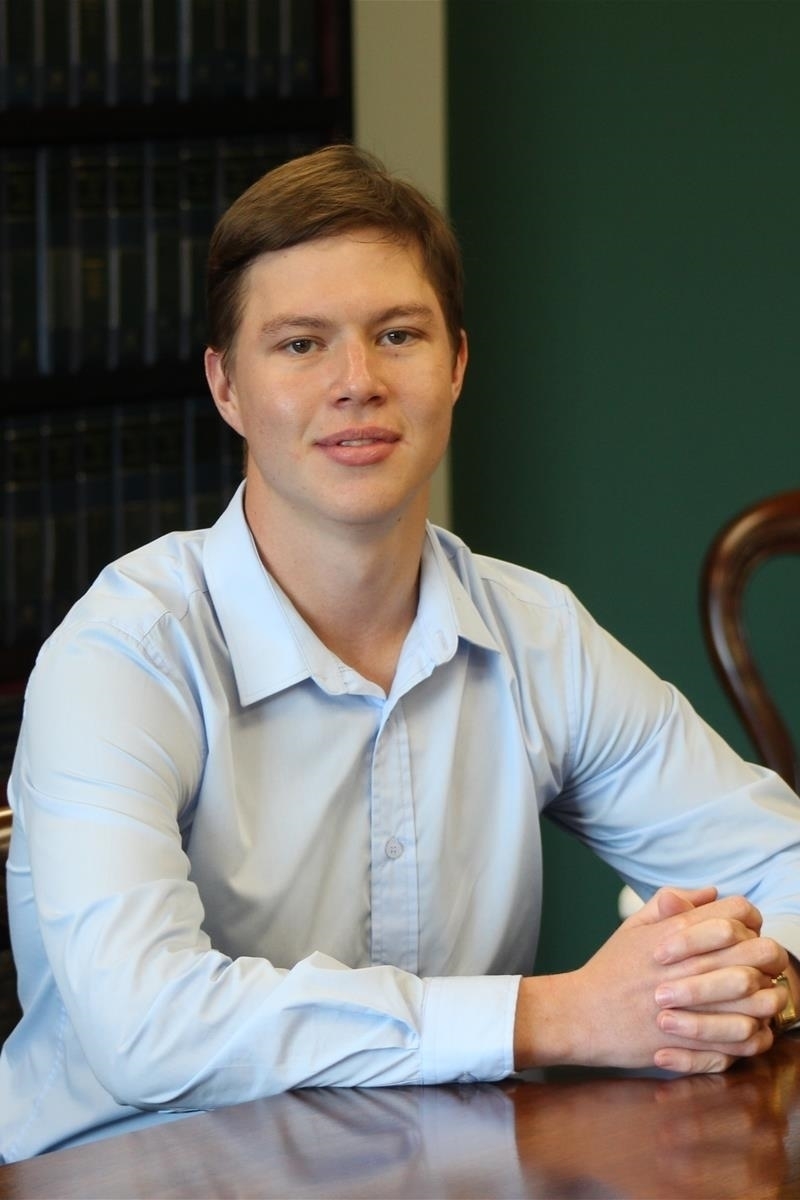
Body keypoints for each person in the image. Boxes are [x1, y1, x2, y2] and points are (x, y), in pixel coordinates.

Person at [1, 144, 798, 1162]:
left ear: (456, 364)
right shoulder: (124, 657)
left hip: (445, 1171)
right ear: (226, 385)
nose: (358, 383)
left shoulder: (534, 633)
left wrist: (730, 982)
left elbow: (781, 863)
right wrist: (553, 1016)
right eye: (300, 344)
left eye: (397, 335)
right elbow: (148, 1027)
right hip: (131, 1174)